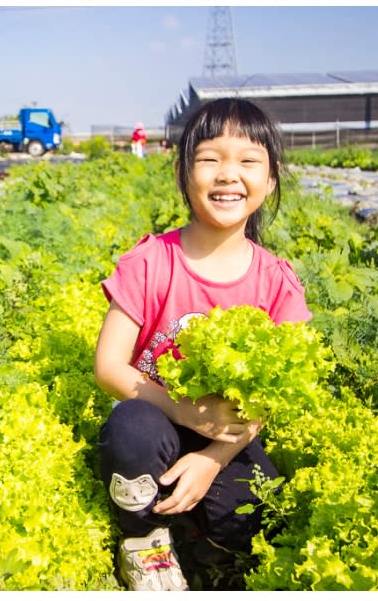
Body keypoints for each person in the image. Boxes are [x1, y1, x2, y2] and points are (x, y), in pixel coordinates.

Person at [93, 97, 311, 590]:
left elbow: (272, 396)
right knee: (131, 433)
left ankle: (187, 517)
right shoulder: (151, 261)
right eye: (210, 158)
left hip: (229, 436)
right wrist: (185, 411)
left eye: (248, 161)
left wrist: (212, 459)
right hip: (154, 412)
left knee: (254, 516)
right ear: (182, 172)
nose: (228, 174)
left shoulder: (277, 280)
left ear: (271, 179)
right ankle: (142, 537)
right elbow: (108, 366)